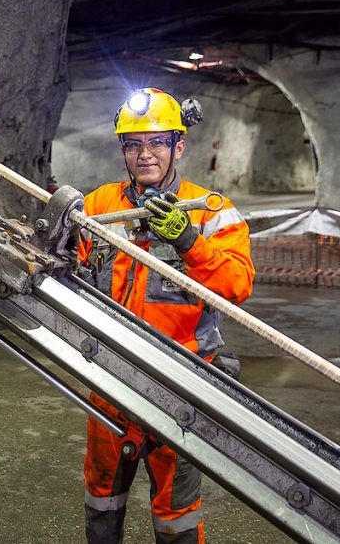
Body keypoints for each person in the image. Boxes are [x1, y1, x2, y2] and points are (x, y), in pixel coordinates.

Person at [77, 87, 254, 544]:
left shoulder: (211, 210)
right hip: (110, 381)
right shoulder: (100, 207)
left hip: (181, 387)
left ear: (179, 146)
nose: (145, 154)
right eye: (133, 144)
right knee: (101, 496)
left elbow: (237, 284)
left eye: (157, 142)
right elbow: (70, 266)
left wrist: (188, 241)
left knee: (176, 512)